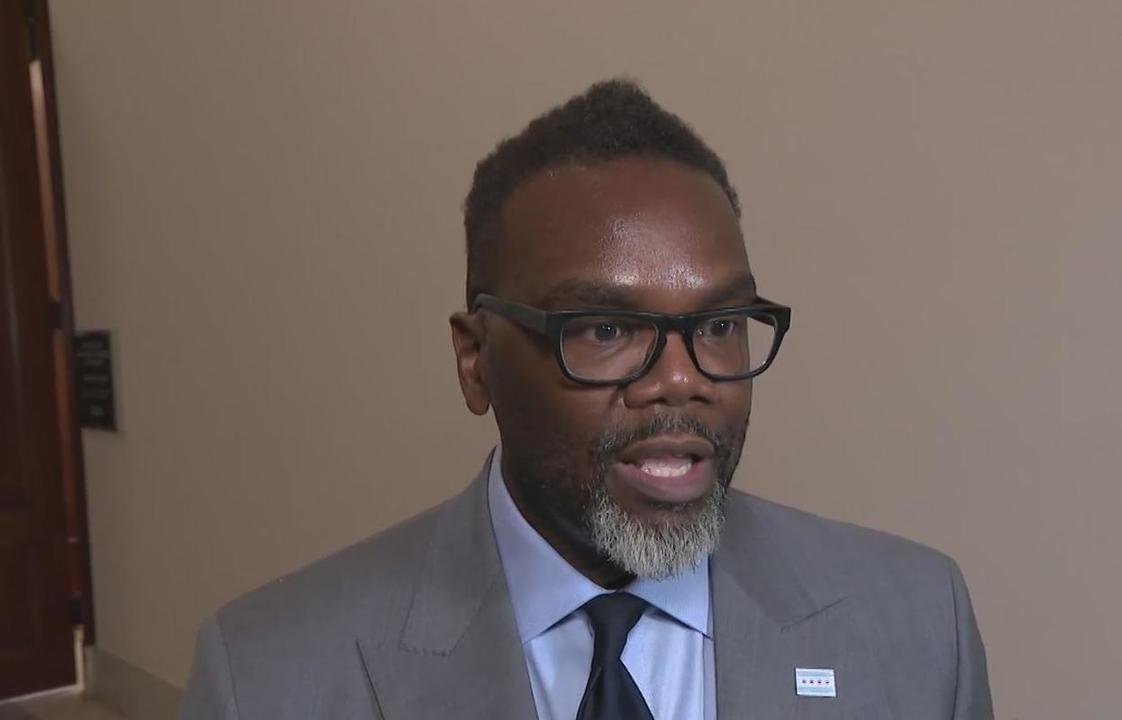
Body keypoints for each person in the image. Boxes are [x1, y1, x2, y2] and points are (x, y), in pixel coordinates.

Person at [180, 78, 993, 720]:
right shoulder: (268, 674)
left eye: (718, 324)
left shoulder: (921, 625)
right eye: (606, 329)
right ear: (475, 360)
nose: (681, 379)